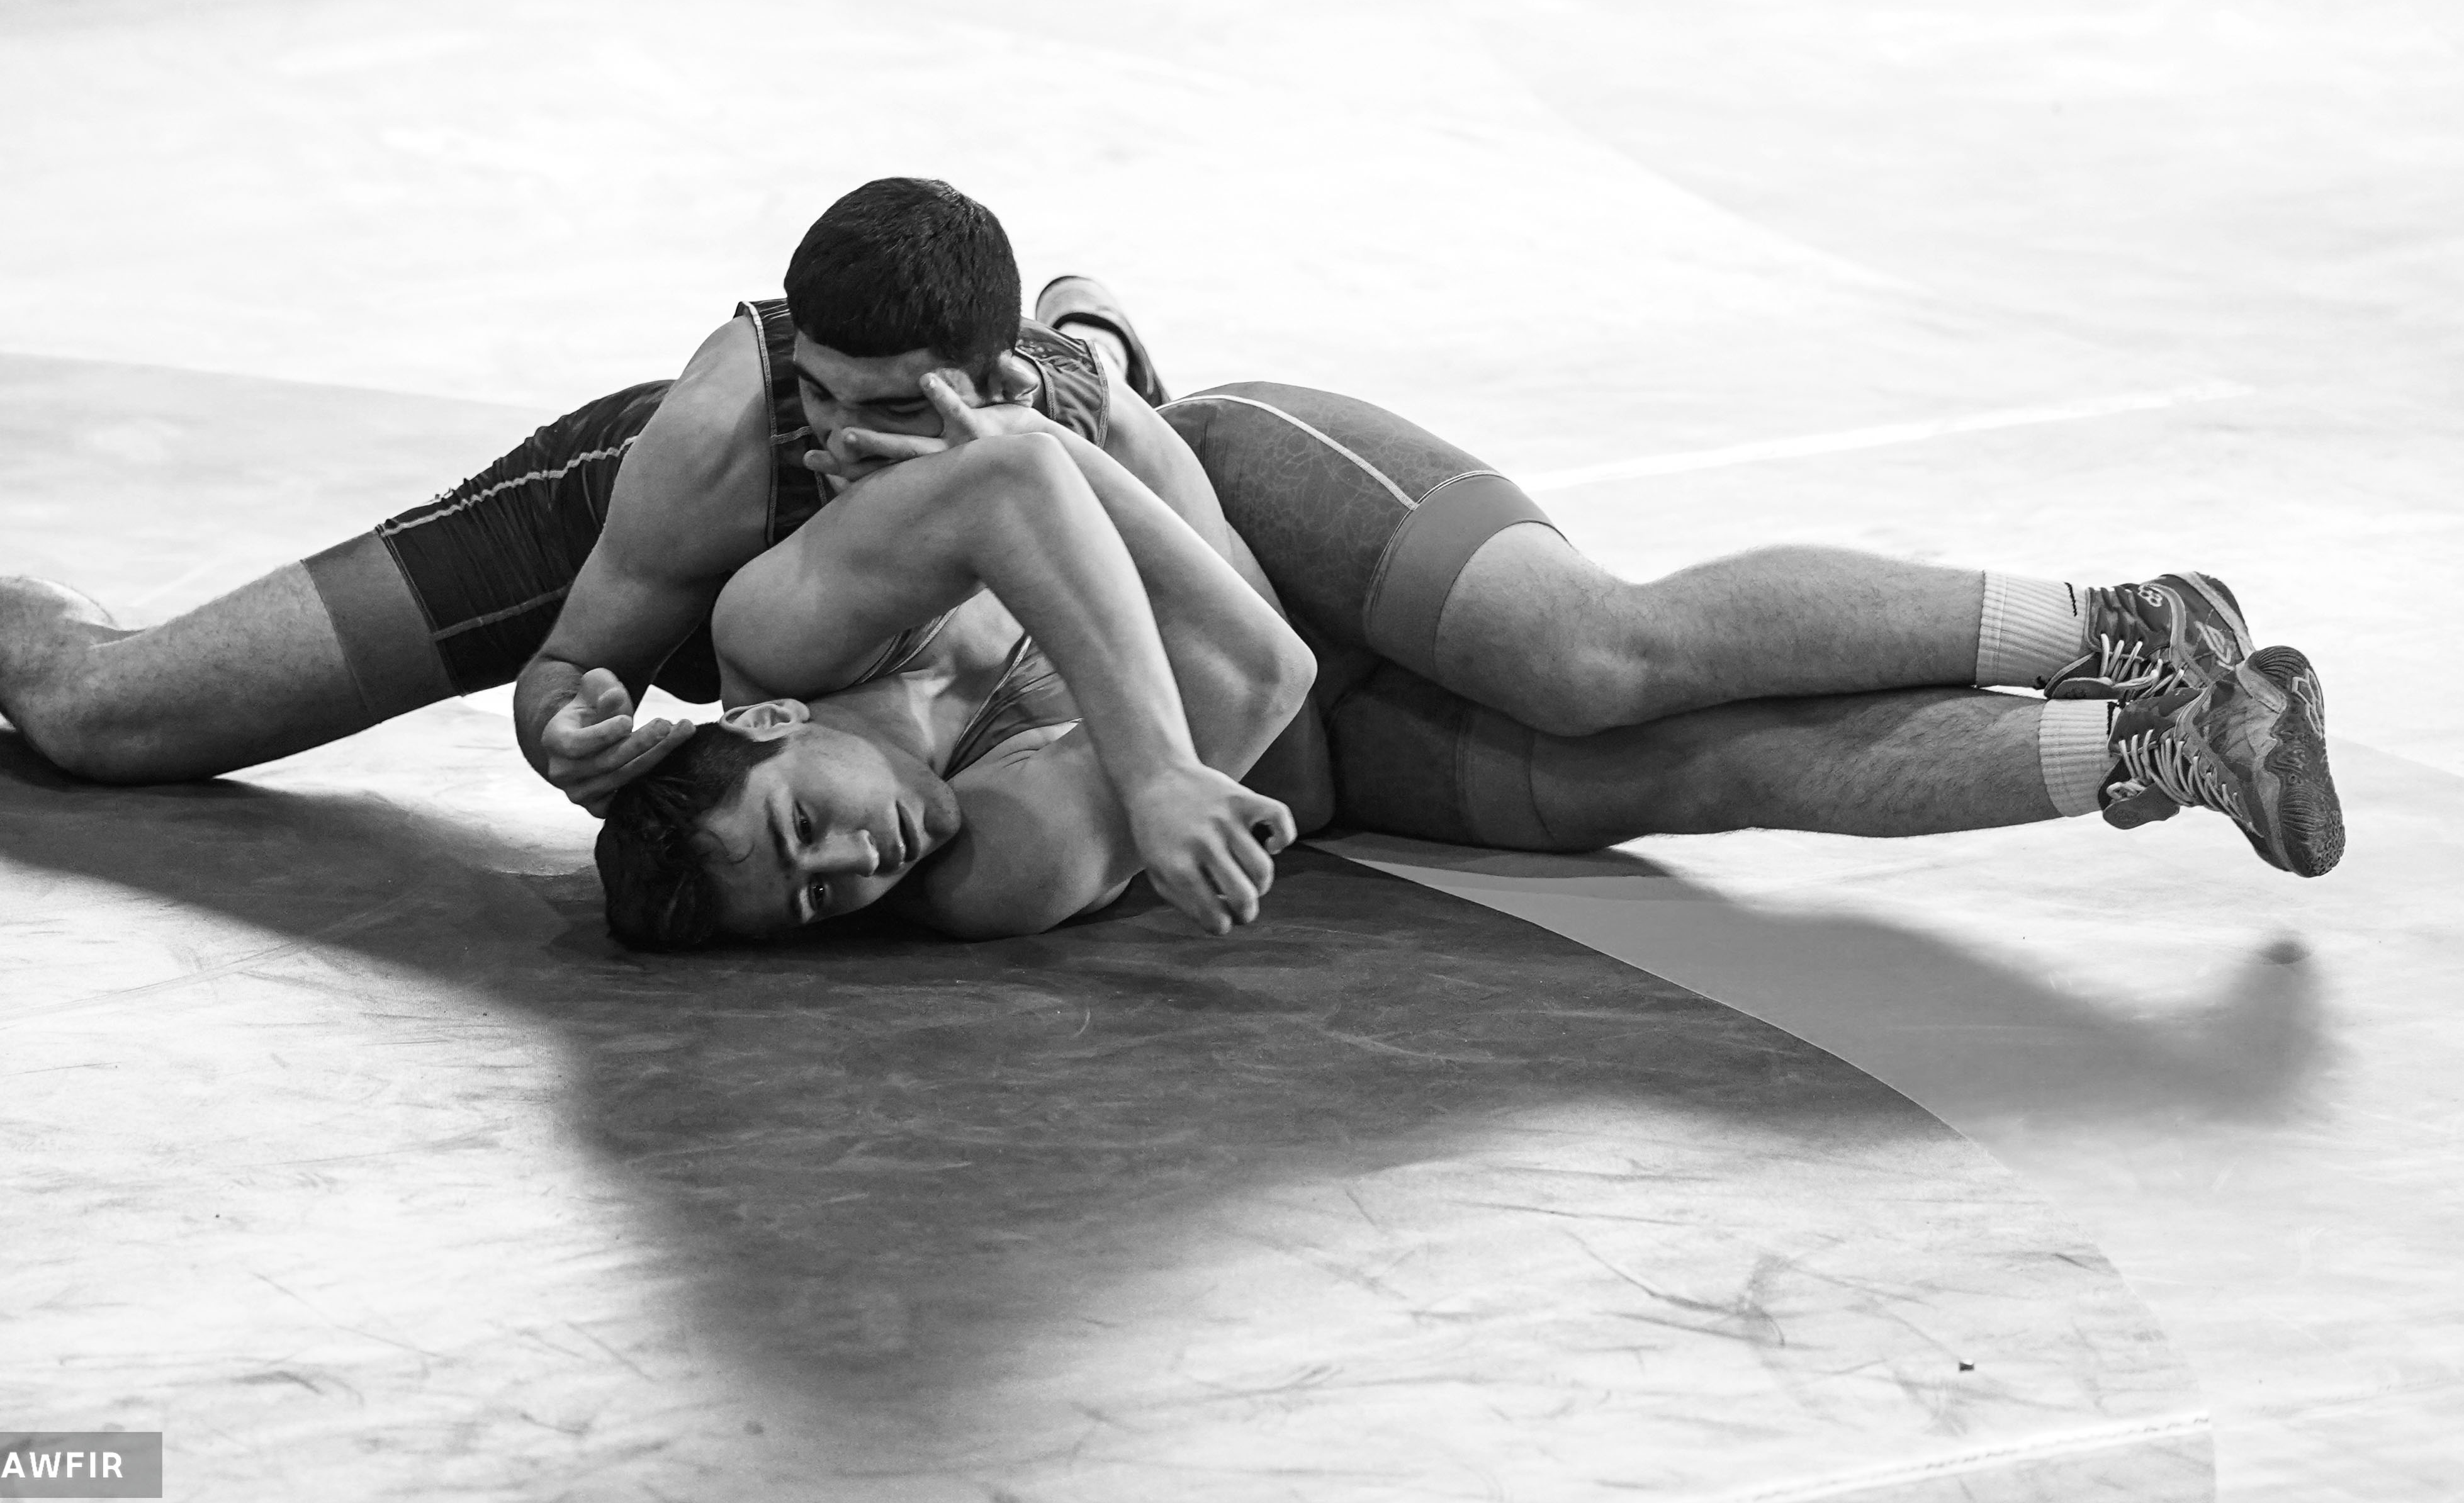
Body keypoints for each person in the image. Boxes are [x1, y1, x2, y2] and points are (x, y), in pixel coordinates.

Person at [0, 180, 1230, 805]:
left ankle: (1095, 320)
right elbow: (568, 667)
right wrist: (577, 729)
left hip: (902, 565)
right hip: (615, 534)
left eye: (880, 410)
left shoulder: (1049, 435)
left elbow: (1244, 659)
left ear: (987, 383)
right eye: (816, 387)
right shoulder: (725, 434)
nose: (833, 433)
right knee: (111, 719)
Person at [597, 373, 2342, 948]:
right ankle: (2170, 741)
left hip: (1263, 490)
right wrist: (1096, 439)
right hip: (1308, 727)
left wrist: (1096, 404)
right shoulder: (989, 879)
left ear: (768, 721)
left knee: (1592, 653)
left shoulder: (782, 627)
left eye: (800, 824)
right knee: (1682, 780)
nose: (851, 865)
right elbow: (1254, 679)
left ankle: (2115, 623)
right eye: (815, 905)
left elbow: (1011, 472)